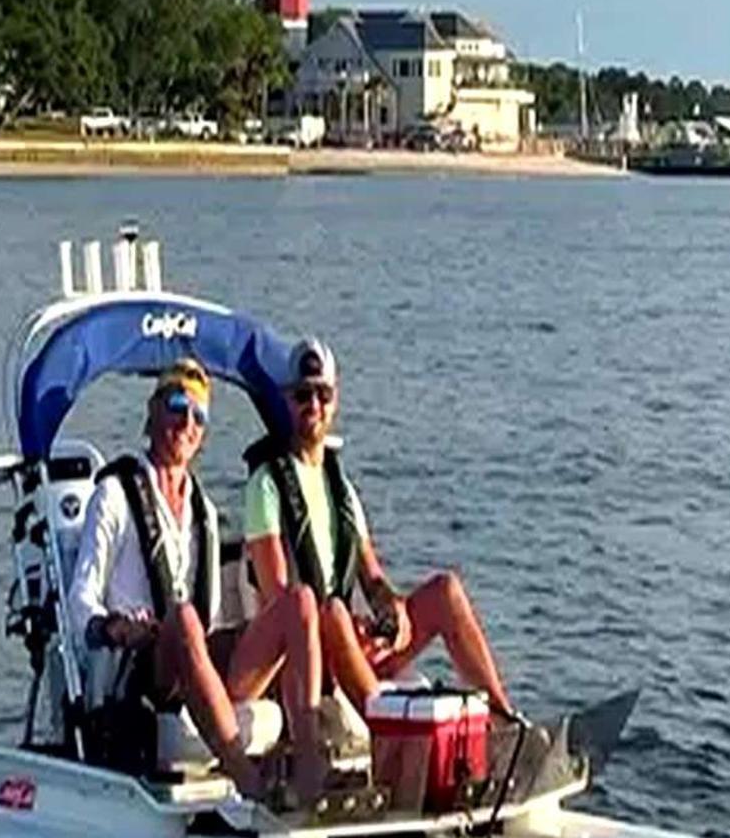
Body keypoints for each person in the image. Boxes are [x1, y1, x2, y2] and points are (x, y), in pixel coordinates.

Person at [70, 359, 329, 801]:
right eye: (177, 406)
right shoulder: (113, 497)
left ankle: (309, 767)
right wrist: (116, 627)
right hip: (140, 672)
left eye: (199, 416)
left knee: (300, 602)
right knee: (186, 619)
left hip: (195, 654)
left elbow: (207, 625)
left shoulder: (203, 512)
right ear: (152, 413)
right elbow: (80, 603)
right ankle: (246, 780)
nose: (187, 422)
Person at [242, 339, 518, 718]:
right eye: (303, 395)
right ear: (288, 400)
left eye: (322, 395)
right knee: (335, 615)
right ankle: (392, 737)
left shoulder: (342, 490)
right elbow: (280, 601)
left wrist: (390, 613)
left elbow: (372, 578)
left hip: (351, 644)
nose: (314, 406)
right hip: (305, 654)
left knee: (446, 592)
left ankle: (506, 721)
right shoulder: (266, 486)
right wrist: (344, 627)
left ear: (335, 400)